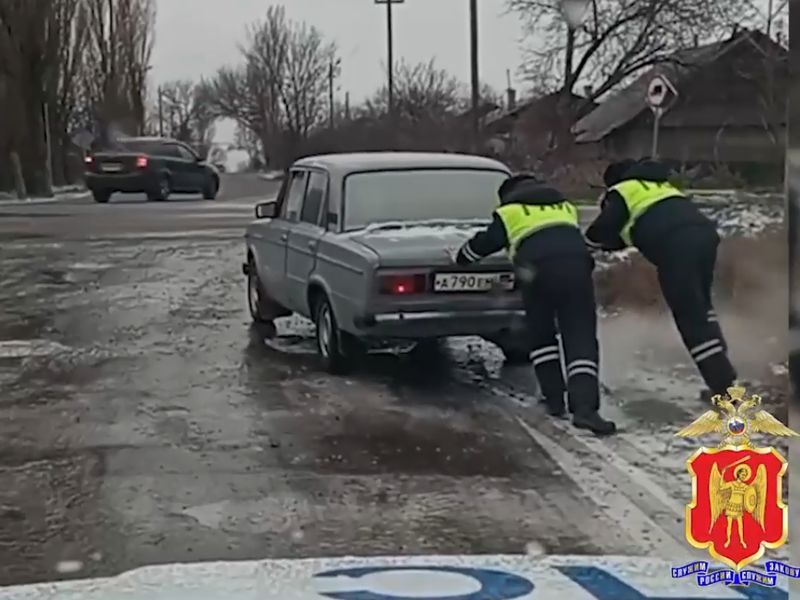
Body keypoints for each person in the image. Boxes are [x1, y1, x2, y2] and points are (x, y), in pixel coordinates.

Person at [454, 174, 617, 436]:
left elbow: (481, 246)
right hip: (577, 269)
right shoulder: (565, 207)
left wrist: (460, 258)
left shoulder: (509, 212)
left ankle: (554, 400)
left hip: (537, 272)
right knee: (580, 337)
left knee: (542, 336)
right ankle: (586, 410)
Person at [585, 158, 737, 400]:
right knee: (701, 309)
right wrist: (610, 245)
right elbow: (636, 228)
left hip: (675, 247)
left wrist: (588, 245)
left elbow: (604, 227)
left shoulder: (622, 190)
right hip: (704, 237)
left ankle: (723, 388)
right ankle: (724, 377)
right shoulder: (660, 187)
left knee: (689, 317)